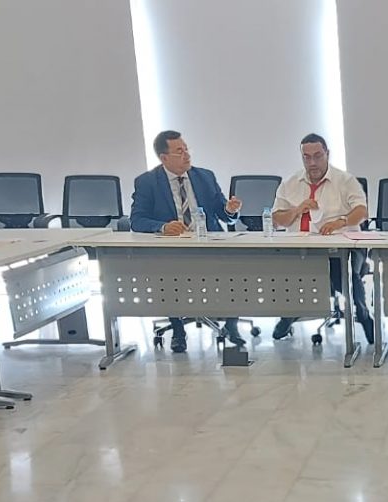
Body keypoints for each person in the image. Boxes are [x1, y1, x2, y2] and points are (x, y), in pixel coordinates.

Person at [130, 130, 244, 352]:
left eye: (187, 149)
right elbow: (137, 220)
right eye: (179, 151)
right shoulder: (147, 182)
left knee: (238, 267)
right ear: (164, 158)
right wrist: (163, 227)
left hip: (209, 245)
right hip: (173, 250)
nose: (187, 155)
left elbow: (223, 215)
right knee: (166, 274)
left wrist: (230, 210)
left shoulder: (205, 176)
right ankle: (178, 329)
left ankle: (231, 324)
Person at [269, 133, 373, 342]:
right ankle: (289, 314)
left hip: (343, 248)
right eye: (306, 157)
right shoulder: (290, 183)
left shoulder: (345, 181)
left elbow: (362, 212)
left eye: (317, 156)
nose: (312, 163)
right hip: (301, 250)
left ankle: (362, 314)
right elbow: (277, 220)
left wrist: (341, 221)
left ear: (327, 154)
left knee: (344, 271)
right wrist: (297, 210)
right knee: (284, 272)